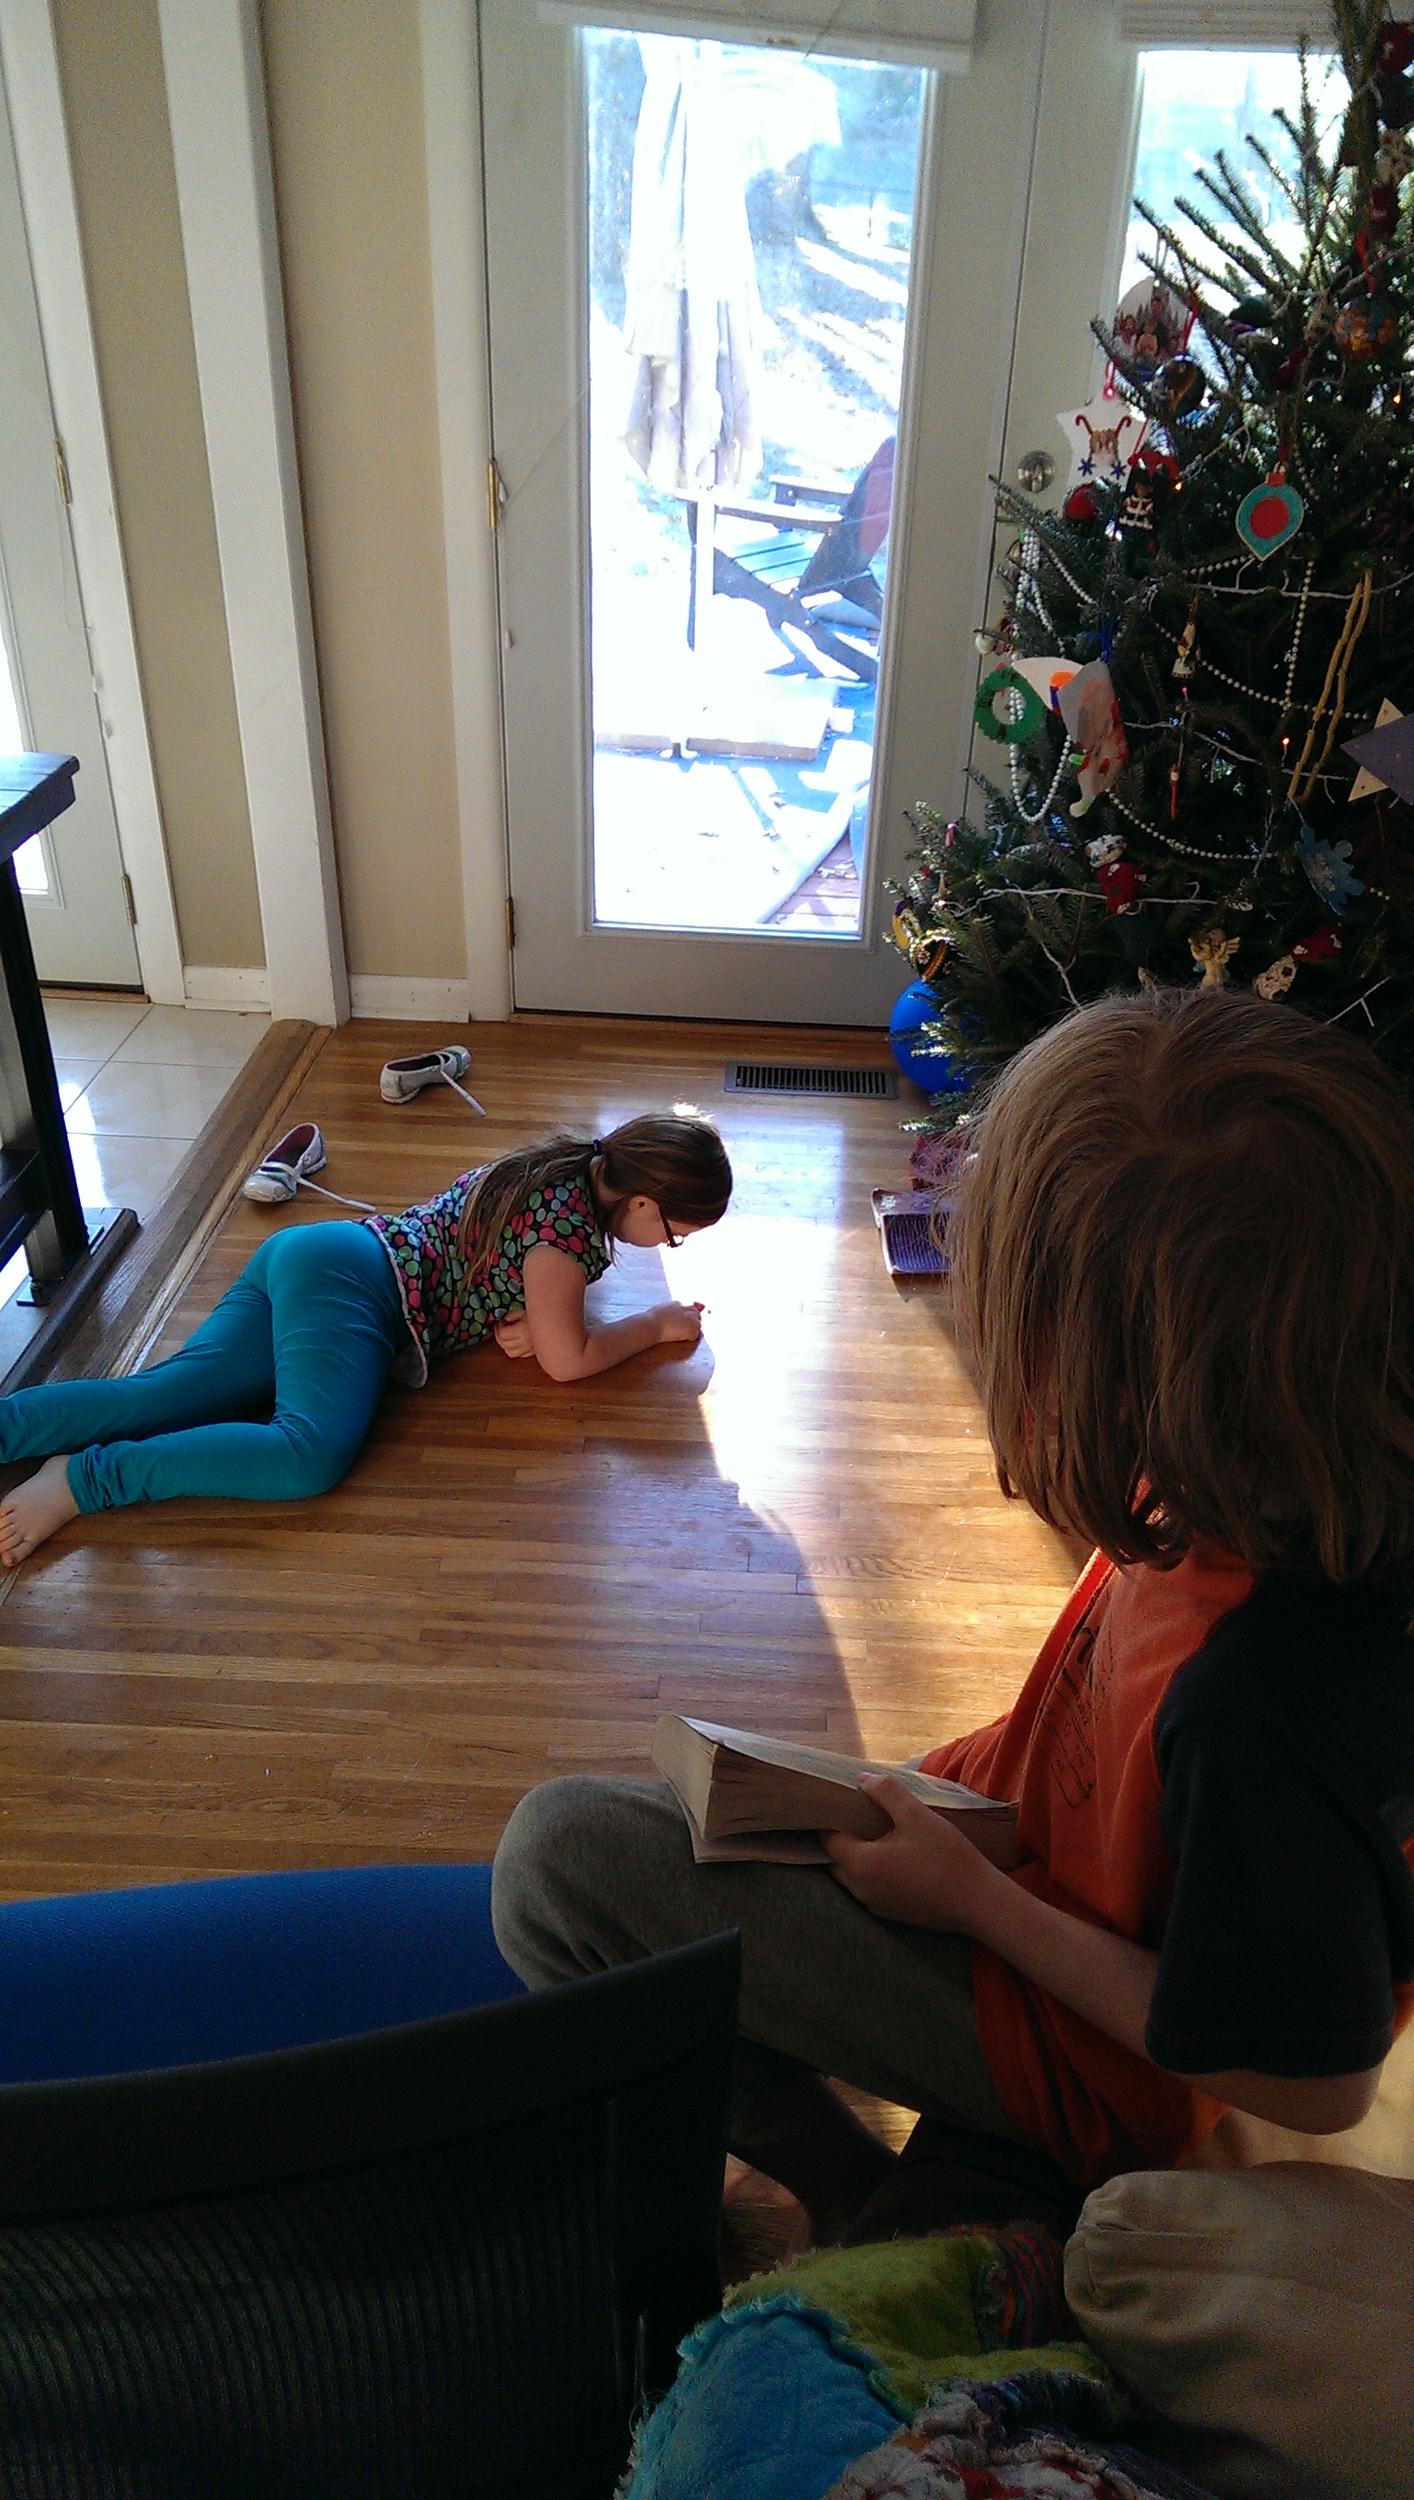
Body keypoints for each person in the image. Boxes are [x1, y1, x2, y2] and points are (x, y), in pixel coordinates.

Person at [492, 987, 1414, 2242]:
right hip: (1006, 1851)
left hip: (1075, 2048)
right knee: (677, 1814)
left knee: (560, 1864)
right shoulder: (1246, 1472)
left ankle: (852, 2192)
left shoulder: (1273, 1691)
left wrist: (973, 1902)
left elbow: (1308, 2077)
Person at [0, 1111, 731, 1566]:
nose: (668, 1246)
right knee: (304, 1456)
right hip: (359, 1292)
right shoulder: (566, 1235)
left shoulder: (569, 1167)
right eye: (674, 1232)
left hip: (319, 1255)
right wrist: (656, 1325)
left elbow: (525, 1293)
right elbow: (570, 1361)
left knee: (167, 1393)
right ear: (640, 1200)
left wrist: (532, 1323)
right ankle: (86, 1480)